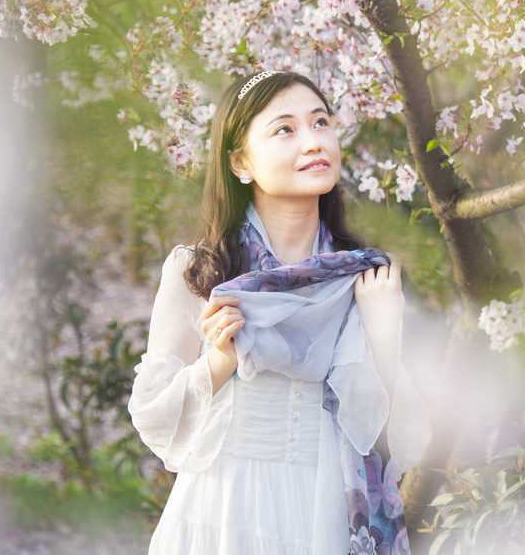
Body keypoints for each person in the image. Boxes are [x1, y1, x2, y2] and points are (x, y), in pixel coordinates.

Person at [129, 70, 431, 555]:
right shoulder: (200, 272)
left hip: (328, 516)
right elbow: (152, 414)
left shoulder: (366, 279)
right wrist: (219, 362)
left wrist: (383, 338)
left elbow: (405, 441)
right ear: (240, 161)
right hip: (223, 515)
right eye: (285, 129)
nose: (313, 141)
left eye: (321, 123)